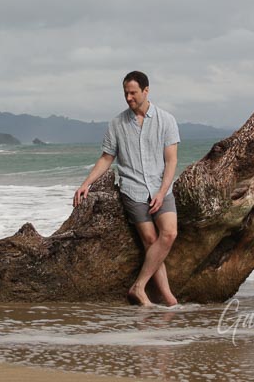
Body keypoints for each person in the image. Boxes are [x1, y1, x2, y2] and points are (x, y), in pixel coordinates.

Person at [73, 71, 180, 306]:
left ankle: (139, 286)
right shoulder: (116, 123)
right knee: (150, 239)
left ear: (146, 91)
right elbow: (106, 158)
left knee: (169, 234)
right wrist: (85, 184)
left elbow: (171, 161)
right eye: (125, 93)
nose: (129, 97)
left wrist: (162, 192)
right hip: (133, 190)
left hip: (161, 187)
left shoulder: (166, 120)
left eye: (133, 93)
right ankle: (169, 299)